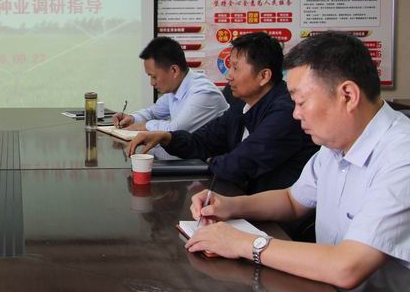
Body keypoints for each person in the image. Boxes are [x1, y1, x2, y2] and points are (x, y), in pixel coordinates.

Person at [185, 31, 410, 292]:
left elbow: (347, 266)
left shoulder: (401, 156)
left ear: (348, 95)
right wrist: (229, 205)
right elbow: (293, 200)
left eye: (301, 101)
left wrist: (243, 243)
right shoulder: (336, 143)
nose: (295, 114)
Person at [127, 32, 317, 194]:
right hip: (242, 201)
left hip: (278, 217)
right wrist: (167, 138)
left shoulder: (287, 111)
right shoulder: (240, 105)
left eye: (235, 68)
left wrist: (211, 160)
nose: (228, 75)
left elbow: (241, 163)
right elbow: (202, 142)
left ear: (264, 76)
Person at [112, 36, 228, 160]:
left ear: (174, 70)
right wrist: (133, 118)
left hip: (199, 167)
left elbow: (174, 131)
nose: (151, 83)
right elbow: (153, 112)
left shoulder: (204, 93)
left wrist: (144, 126)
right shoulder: (175, 88)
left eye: (154, 77)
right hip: (175, 161)